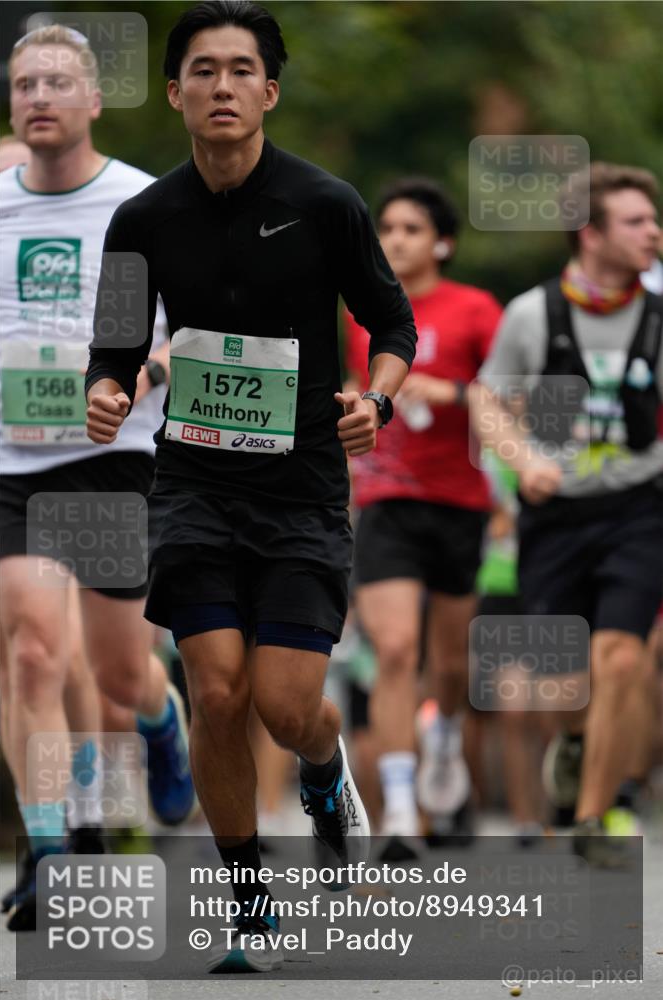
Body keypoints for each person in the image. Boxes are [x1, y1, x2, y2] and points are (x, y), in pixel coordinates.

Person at [85, 0, 416, 974]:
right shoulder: (140, 218)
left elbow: (392, 325)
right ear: (177, 90)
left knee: (284, 704)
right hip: (190, 481)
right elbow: (113, 347)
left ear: (268, 90)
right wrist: (107, 392)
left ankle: (324, 765)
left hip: (302, 485)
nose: (222, 86)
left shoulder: (325, 203)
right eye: (203, 69)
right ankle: (249, 906)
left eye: (241, 70)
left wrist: (378, 402)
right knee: (216, 689)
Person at [0, 25, 196, 931]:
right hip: (7, 460)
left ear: (92, 102)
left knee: (119, 672)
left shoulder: (144, 205)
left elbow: (191, 331)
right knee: (33, 651)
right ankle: (49, 850)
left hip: (110, 453)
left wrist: (135, 378)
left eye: (56, 82)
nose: (37, 95)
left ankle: (161, 723)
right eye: (23, 82)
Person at [471, 161, 663, 865]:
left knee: (621, 659)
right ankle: (577, 742)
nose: (653, 232)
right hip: (553, 517)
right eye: (636, 221)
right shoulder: (533, 313)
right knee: (563, 689)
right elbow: (484, 400)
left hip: (638, 510)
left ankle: (591, 816)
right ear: (590, 233)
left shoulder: (657, 314)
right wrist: (524, 461)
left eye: (652, 219)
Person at [344, 177, 502, 858]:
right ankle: (402, 815)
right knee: (395, 651)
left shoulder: (474, 309)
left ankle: (442, 740)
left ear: (441, 242)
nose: (396, 240)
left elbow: (514, 398)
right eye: (387, 228)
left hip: (460, 504)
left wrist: (454, 390)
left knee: (446, 664)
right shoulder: (360, 317)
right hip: (385, 502)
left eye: (411, 228)